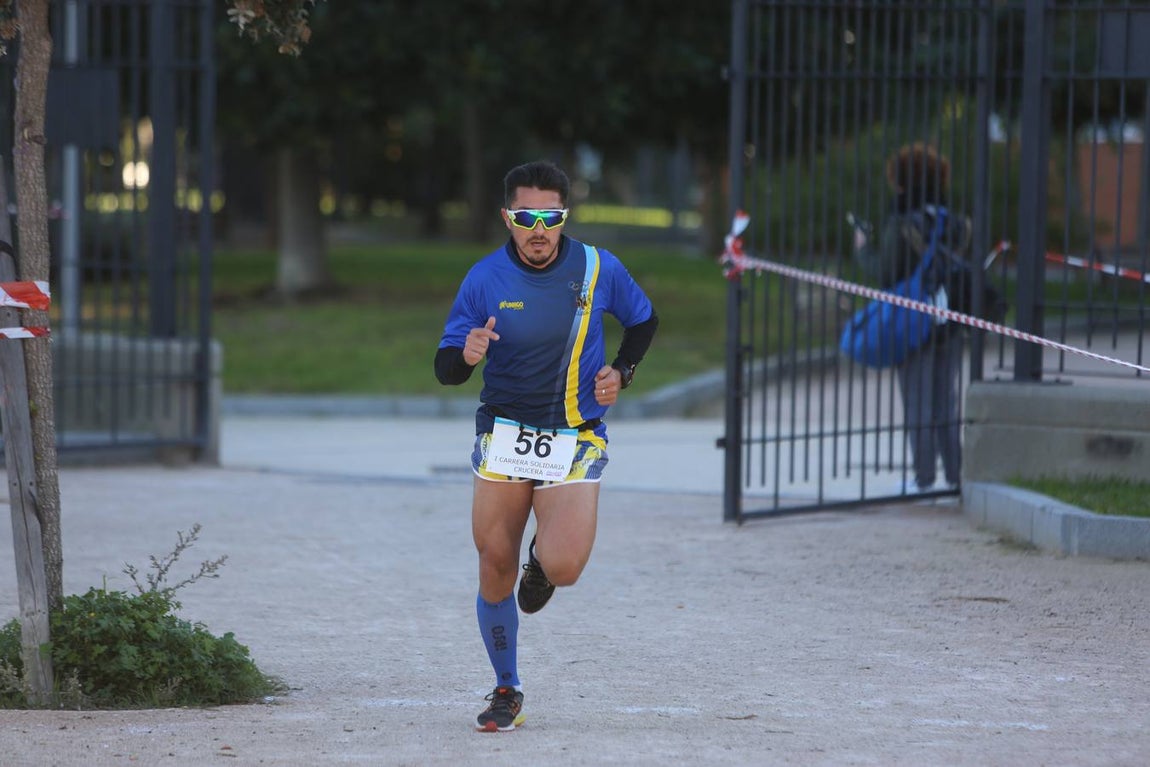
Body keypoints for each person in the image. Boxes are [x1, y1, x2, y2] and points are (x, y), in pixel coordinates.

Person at [434, 160, 658, 732]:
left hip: (575, 435)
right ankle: (507, 687)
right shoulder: (484, 278)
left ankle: (541, 564)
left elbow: (643, 320)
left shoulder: (597, 267)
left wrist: (623, 371)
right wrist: (467, 354)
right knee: (492, 562)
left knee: (564, 566)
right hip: (505, 434)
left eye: (550, 216)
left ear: (564, 216)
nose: (539, 228)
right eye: (526, 216)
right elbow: (446, 370)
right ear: (507, 217)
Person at [853, 143, 966, 493]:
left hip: (914, 322)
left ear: (901, 182)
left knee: (917, 400)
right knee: (945, 402)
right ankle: (955, 475)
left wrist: (861, 249)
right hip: (951, 320)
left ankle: (924, 477)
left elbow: (886, 273)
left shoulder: (902, 224)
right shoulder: (957, 223)